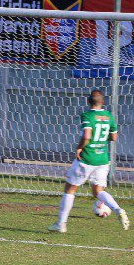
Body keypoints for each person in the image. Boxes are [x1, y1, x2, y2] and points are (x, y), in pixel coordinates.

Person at [49, 90, 129, 233]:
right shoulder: (108, 116)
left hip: (87, 158)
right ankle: (117, 209)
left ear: (88, 102)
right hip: (102, 160)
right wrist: (101, 141)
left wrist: (79, 148)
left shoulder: (87, 115)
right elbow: (114, 137)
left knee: (70, 189)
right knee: (97, 191)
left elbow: (86, 135)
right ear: (102, 102)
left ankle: (61, 224)